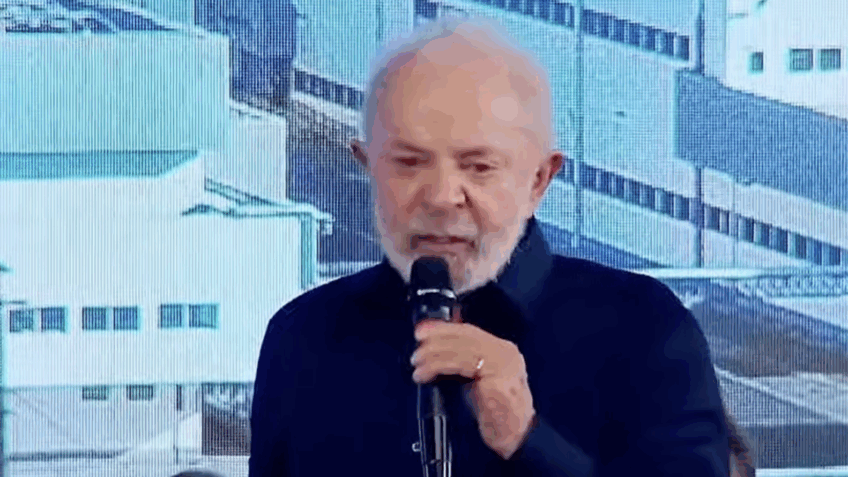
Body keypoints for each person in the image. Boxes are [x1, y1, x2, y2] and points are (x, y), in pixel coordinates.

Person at [249, 16, 733, 476]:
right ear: (366, 165)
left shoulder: (644, 330)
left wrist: (529, 438)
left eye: (478, 167)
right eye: (408, 163)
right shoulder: (304, 337)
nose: (441, 197)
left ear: (539, 180)